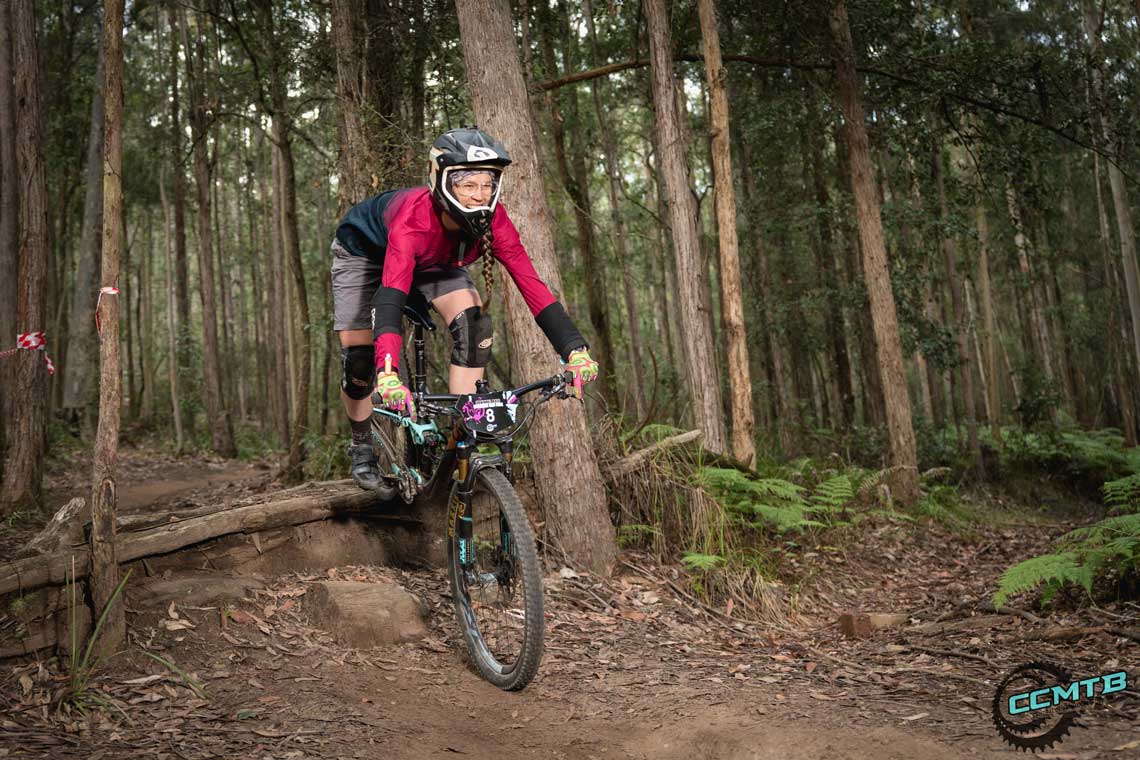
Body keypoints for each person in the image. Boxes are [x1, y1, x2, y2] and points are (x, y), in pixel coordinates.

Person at [331, 127, 599, 492]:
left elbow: (531, 284)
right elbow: (390, 297)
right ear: (440, 181)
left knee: (475, 327)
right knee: (361, 357)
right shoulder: (413, 220)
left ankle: (463, 438)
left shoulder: (496, 220)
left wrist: (575, 350)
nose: (479, 195)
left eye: (487, 184)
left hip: (437, 261)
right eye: (467, 185)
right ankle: (362, 446)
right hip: (365, 252)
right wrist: (388, 374)